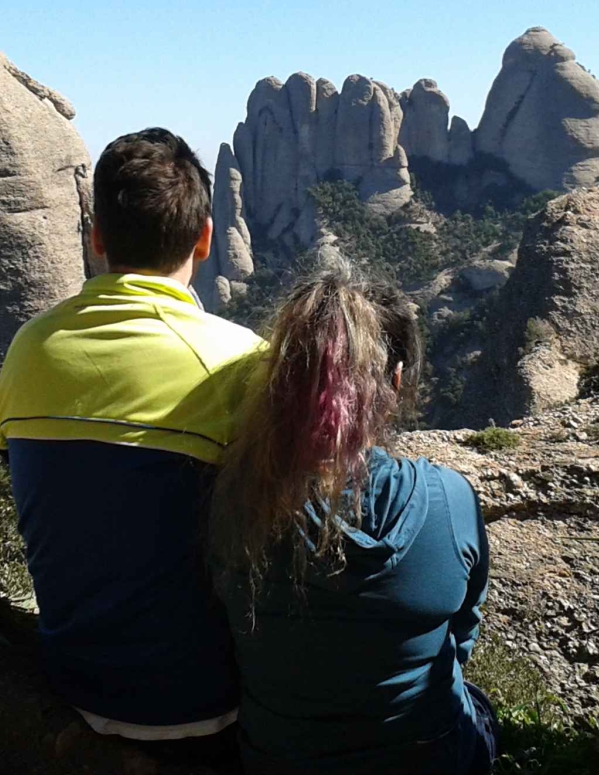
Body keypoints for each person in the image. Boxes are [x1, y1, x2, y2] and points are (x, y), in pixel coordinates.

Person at [0, 128, 262, 771]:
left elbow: (35, 478)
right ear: (205, 239)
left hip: (72, 682)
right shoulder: (243, 361)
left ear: (97, 239)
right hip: (209, 703)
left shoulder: (30, 347)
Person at [209, 267, 499, 775]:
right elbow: (461, 637)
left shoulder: (231, 499)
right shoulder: (449, 500)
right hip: (432, 760)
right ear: (397, 380)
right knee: (479, 707)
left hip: (277, 762)